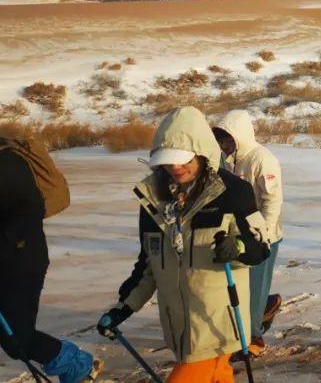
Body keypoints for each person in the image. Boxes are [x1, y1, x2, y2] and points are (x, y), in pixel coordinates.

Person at [98, 106, 270, 383]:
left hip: (218, 324)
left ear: (202, 154)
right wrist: (124, 306)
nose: (175, 167)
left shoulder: (233, 192)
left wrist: (237, 248)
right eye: (168, 161)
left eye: (183, 160)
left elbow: (261, 246)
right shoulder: (153, 200)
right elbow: (149, 265)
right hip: (179, 326)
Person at [0, 138, 99, 383]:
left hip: (21, 262)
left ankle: (79, 366)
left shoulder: (6, 162)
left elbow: (31, 209)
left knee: (17, 340)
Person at [212, 109, 285, 356]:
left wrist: (262, 233)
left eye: (228, 139)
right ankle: (268, 303)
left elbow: (272, 201)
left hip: (265, 236)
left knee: (253, 288)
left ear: (240, 136)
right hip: (239, 235)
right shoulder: (229, 160)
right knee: (240, 287)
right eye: (222, 140)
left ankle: (253, 337)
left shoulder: (262, 159)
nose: (225, 145)